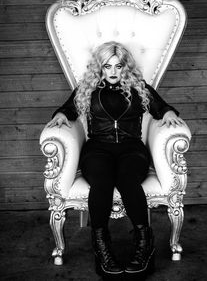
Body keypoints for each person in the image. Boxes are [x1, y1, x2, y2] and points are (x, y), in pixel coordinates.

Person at [47, 41, 184, 280]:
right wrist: (60, 115)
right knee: (102, 181)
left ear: (125, 67)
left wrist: (169, 113)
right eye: (107, 66)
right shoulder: (88, 89)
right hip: (97, 149)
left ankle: (144, 246)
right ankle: (101, 246)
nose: (112, 71)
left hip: (132, 150)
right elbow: (68, 109)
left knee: (128, 181)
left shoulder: (139, 87)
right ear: (99, 68)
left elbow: (161, 107)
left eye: (118, 66)